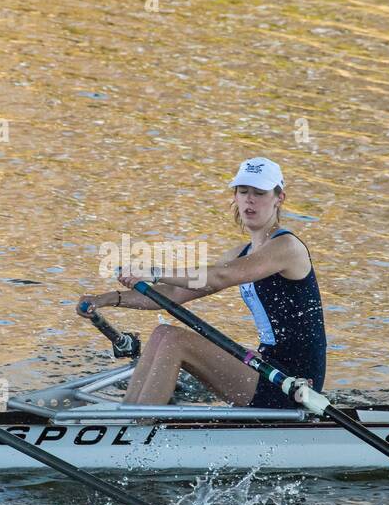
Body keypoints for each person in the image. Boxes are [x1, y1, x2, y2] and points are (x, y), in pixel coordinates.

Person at [79, 157, 325, 408]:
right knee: (162, 332)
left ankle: (135, 428)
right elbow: (175, 292)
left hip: (296, 382)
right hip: (265, 365)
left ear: (279, 198)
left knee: (176, 340)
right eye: (243, 191)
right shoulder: (240, 253)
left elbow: (220, 276)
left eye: (259, 193)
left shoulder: (287, 247)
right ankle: (127, 418)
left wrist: (153, 271)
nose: (249, 199)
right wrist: (108, 299)